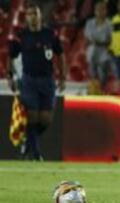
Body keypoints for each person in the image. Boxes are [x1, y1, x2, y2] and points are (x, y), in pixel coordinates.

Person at [7, 2, 66, 161]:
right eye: (29, 14)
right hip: (29, 80)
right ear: (26, 17)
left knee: (46, 119)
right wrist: (10, 76)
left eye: (35, 14)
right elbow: (11, 56)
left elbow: (60, 54)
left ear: (40, 16)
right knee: (32, 116)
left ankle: (28, 142)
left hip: (47, 80)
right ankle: (36, 154)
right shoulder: (21, 36)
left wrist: (63, 76)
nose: (33, 17)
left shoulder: (50, 34)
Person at [84, 1, 112, 92]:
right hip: (92, 52)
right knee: (93, 75)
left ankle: (102, 92)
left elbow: (110, 39)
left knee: (103, 76)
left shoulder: (109, 23)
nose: (100, 11)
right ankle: (94, 92)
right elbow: (88, 37)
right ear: (95, 11)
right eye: (98, 9)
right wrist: (98, 41)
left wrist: (99, 41)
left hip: (104, 53)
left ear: (106, 11)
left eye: (102, 9)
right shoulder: (89, 23)